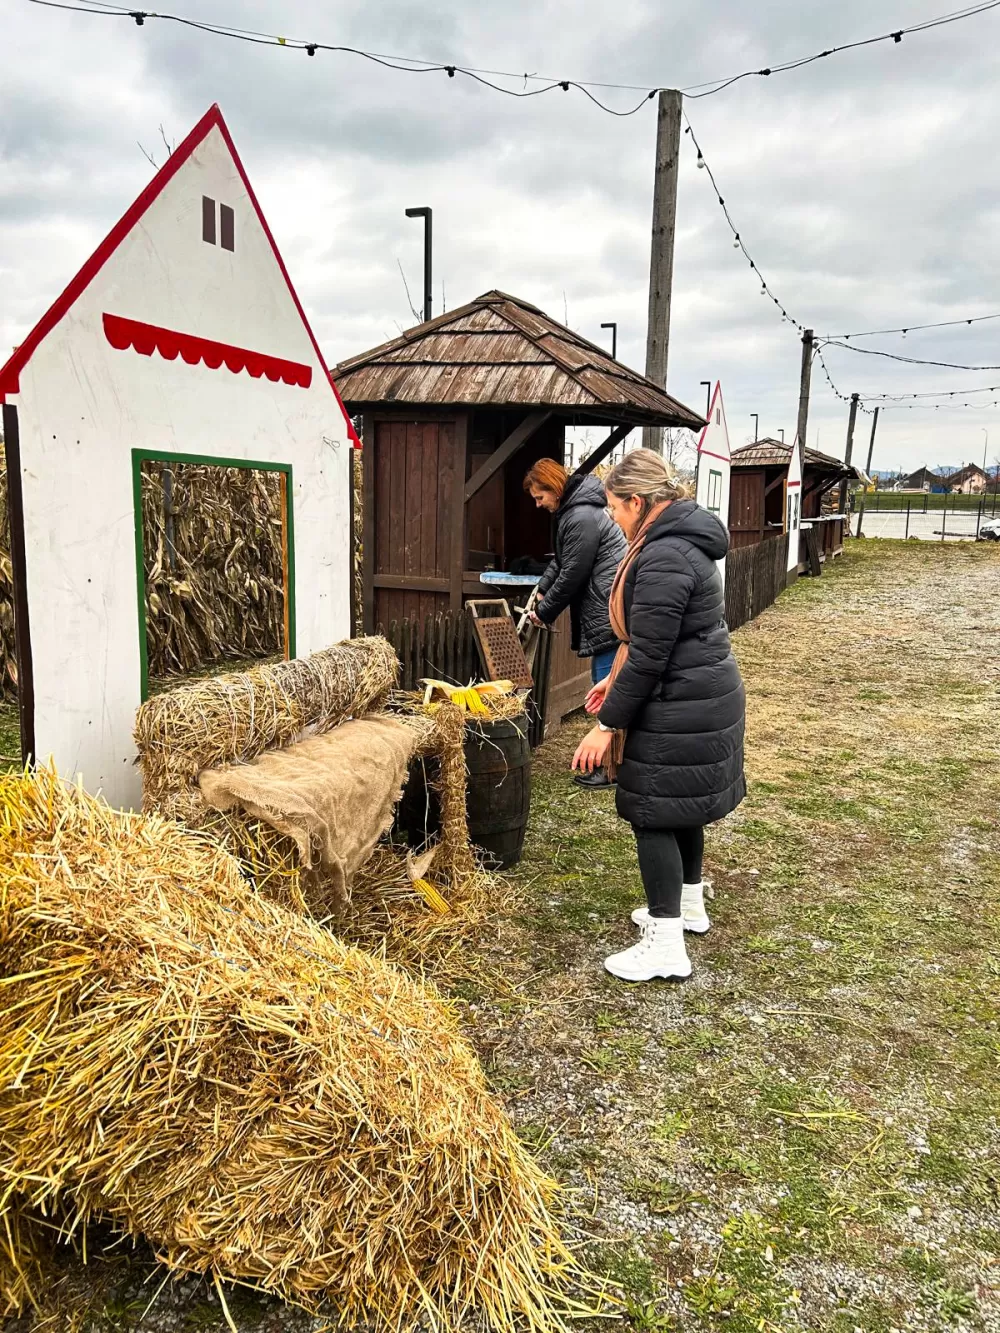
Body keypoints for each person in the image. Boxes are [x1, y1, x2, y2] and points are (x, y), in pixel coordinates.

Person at [571, 449, 746, 983]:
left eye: (615, 509)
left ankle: (665, 945)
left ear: (639, 502)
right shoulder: (680, 543)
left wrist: (607, 726)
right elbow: (652, 641)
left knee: (651, 811)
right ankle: (687, 906)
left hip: (680, 699)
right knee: (680, 807)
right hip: (699, 691)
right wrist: (612, 677)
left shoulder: (664, 554)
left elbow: (650, 655)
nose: (612, 520)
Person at [524, 458, 626, 788]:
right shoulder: (577, 511)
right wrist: (541, 588)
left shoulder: (580, 516)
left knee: (607, 689)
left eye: (540, 498)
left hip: (606, 610)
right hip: (604, 607)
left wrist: (545, 611)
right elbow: (563, 562)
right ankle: (615, 764)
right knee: (606, 683)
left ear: (553, 488)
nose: (539, 505)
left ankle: (611, 768)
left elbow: (573, 575)